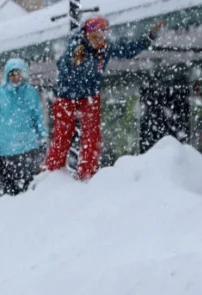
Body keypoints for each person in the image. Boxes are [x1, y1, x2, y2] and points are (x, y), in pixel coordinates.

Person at [42, 16, 165, 180]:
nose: (98, 40)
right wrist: (77, 60)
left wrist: (147, 39)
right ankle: (52, 172)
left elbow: (126, 50)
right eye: (94, 36)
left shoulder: (105, 48)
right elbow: (64, 67)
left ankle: (87, 173)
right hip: (67, 96)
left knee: (92, 135)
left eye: (101, 36)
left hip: (90, 96)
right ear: (86, 34)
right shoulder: (76, 46)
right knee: (63, 135)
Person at [0, 57, 47, 196]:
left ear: (24, 74)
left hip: (29, 149)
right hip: (6, 151)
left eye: (19, 73)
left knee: (30, 193)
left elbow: (38, 118)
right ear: (7, 75)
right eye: (12, 74)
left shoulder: (31, 93)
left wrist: (43, 138)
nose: (15, 77)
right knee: (9, 194)